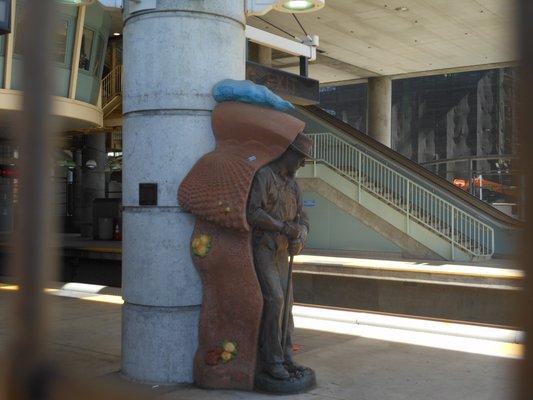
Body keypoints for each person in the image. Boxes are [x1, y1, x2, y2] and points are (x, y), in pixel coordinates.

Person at [247, 133, 313, 380]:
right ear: (288, 153)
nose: (303, 164)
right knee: (275, 300)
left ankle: (285, 356)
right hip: (264, 249)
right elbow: (253, 212)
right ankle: (271, 360)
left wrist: (301, 235)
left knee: (288, 305)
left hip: (284, 253)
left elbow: (303, 218)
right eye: (301, 159)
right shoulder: (264, 176)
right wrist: (283, 227)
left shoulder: (294, 185)